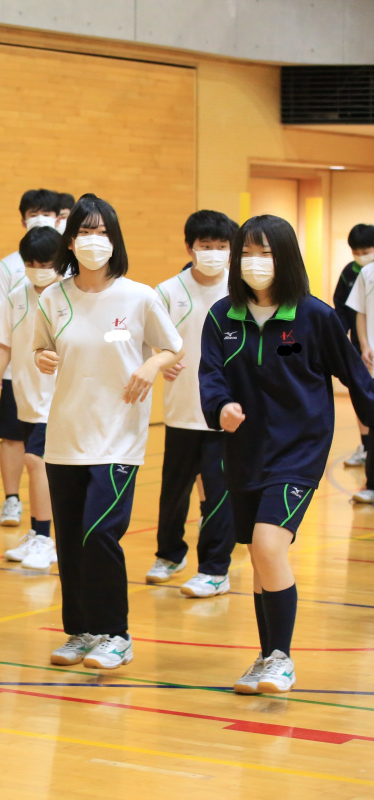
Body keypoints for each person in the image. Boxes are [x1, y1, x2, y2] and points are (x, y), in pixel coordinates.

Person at [200, 214, 374, 694]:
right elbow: (210, 375)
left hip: (299, 450)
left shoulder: (315, 316)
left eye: (266, 253)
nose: (255, 262)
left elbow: (356, 379)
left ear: (287, 259)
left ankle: (281, 658)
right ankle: (265, 657)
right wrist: (220, 407)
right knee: (260, 555)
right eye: (247, 253)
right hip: (244, 451)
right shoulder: (221, 316)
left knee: (269, 544)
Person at [34, 194, 183, 671]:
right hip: (65, 437)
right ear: (70, 241)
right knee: (71, 540)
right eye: (84, 231)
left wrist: (151, 366)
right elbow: (40, 348)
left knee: (100, 533)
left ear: (114, 240)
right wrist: (42, 357)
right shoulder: (53, 297)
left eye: (101, 232)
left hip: (118, 438)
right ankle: (81, 630)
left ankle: (117, 633)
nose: (93, 240)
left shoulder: (139, 296)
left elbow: (173, 347)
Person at [146, 210, 239, 595]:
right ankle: (169, 554)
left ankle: (216, 569)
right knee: (174, 490)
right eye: (205, 245)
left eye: (221, 246)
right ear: (190, 247)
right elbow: (150, 336)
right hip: (181, 411)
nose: (213, 252)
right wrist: (159, 359)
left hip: (224, 411)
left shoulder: (240, 289)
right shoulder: (168, 291)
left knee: (219, 493)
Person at [0, 226, 61, 570]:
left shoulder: (69, 296)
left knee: (35, 462)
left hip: (57, 401)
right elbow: (4, 346)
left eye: (45, 264)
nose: (38, 270)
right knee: (35, 465)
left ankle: (45, 539)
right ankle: (38, 533)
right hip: (26, 397)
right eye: (31, 263)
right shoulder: (17, 296)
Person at [337, 223, 374, 473]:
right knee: (362, 397)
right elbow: (343, 308)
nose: (361, 256)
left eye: (366, 251)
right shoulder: (350, 273)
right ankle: (365, 447)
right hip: (360, 345)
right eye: (356, 252)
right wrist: (347, 338)